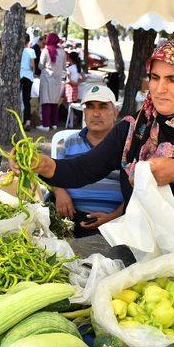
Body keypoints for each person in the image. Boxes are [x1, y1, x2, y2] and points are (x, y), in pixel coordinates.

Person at [14, 39, 174, 250]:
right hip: (141, 251)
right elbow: (82, 169)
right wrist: (43, 165)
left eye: (173, 79)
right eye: (155, 78)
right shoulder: (137, 128)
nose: (160, 89)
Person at [51, 85, 124, 237]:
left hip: (115, 225)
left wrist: (113, 217)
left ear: (115, 113)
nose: (96, 114)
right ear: (84, 113)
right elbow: (55, 174)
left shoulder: (126, 145)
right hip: (70, 220)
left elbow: (136, 194)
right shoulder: (70, 142)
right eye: (90, 107)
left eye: (103, 107)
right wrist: (60, 192)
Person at [37, 33, 65, 131]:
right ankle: (54, 123)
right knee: (54, 102)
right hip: (57, 79)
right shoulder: (62, 52)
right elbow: (64, 66)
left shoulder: (45, 50)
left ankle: (45, 125)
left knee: (46, 101)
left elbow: (40, 66)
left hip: (46, 78)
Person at [19, 33, 37, 129]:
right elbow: (32, 65)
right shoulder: (31, 51)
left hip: (19, 76)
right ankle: (27, 121)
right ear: (28, 41)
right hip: (28, 77)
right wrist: (33, 71)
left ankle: (17, 119)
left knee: (17, 98)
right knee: (26, 100)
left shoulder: (18, 51)